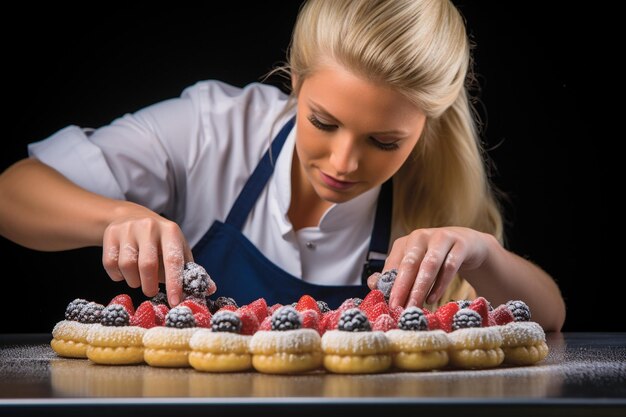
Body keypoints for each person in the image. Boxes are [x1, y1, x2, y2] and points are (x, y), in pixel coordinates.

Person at [0, 0, 565, 331]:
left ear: (426, 125)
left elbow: (551, 318)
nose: (344, 163)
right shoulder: (212, 129)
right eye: (322, 122)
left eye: (384, 141)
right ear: (295, 84)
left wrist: (483, 251)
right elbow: (11, 195)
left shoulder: (432, 192)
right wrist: (113, 216)